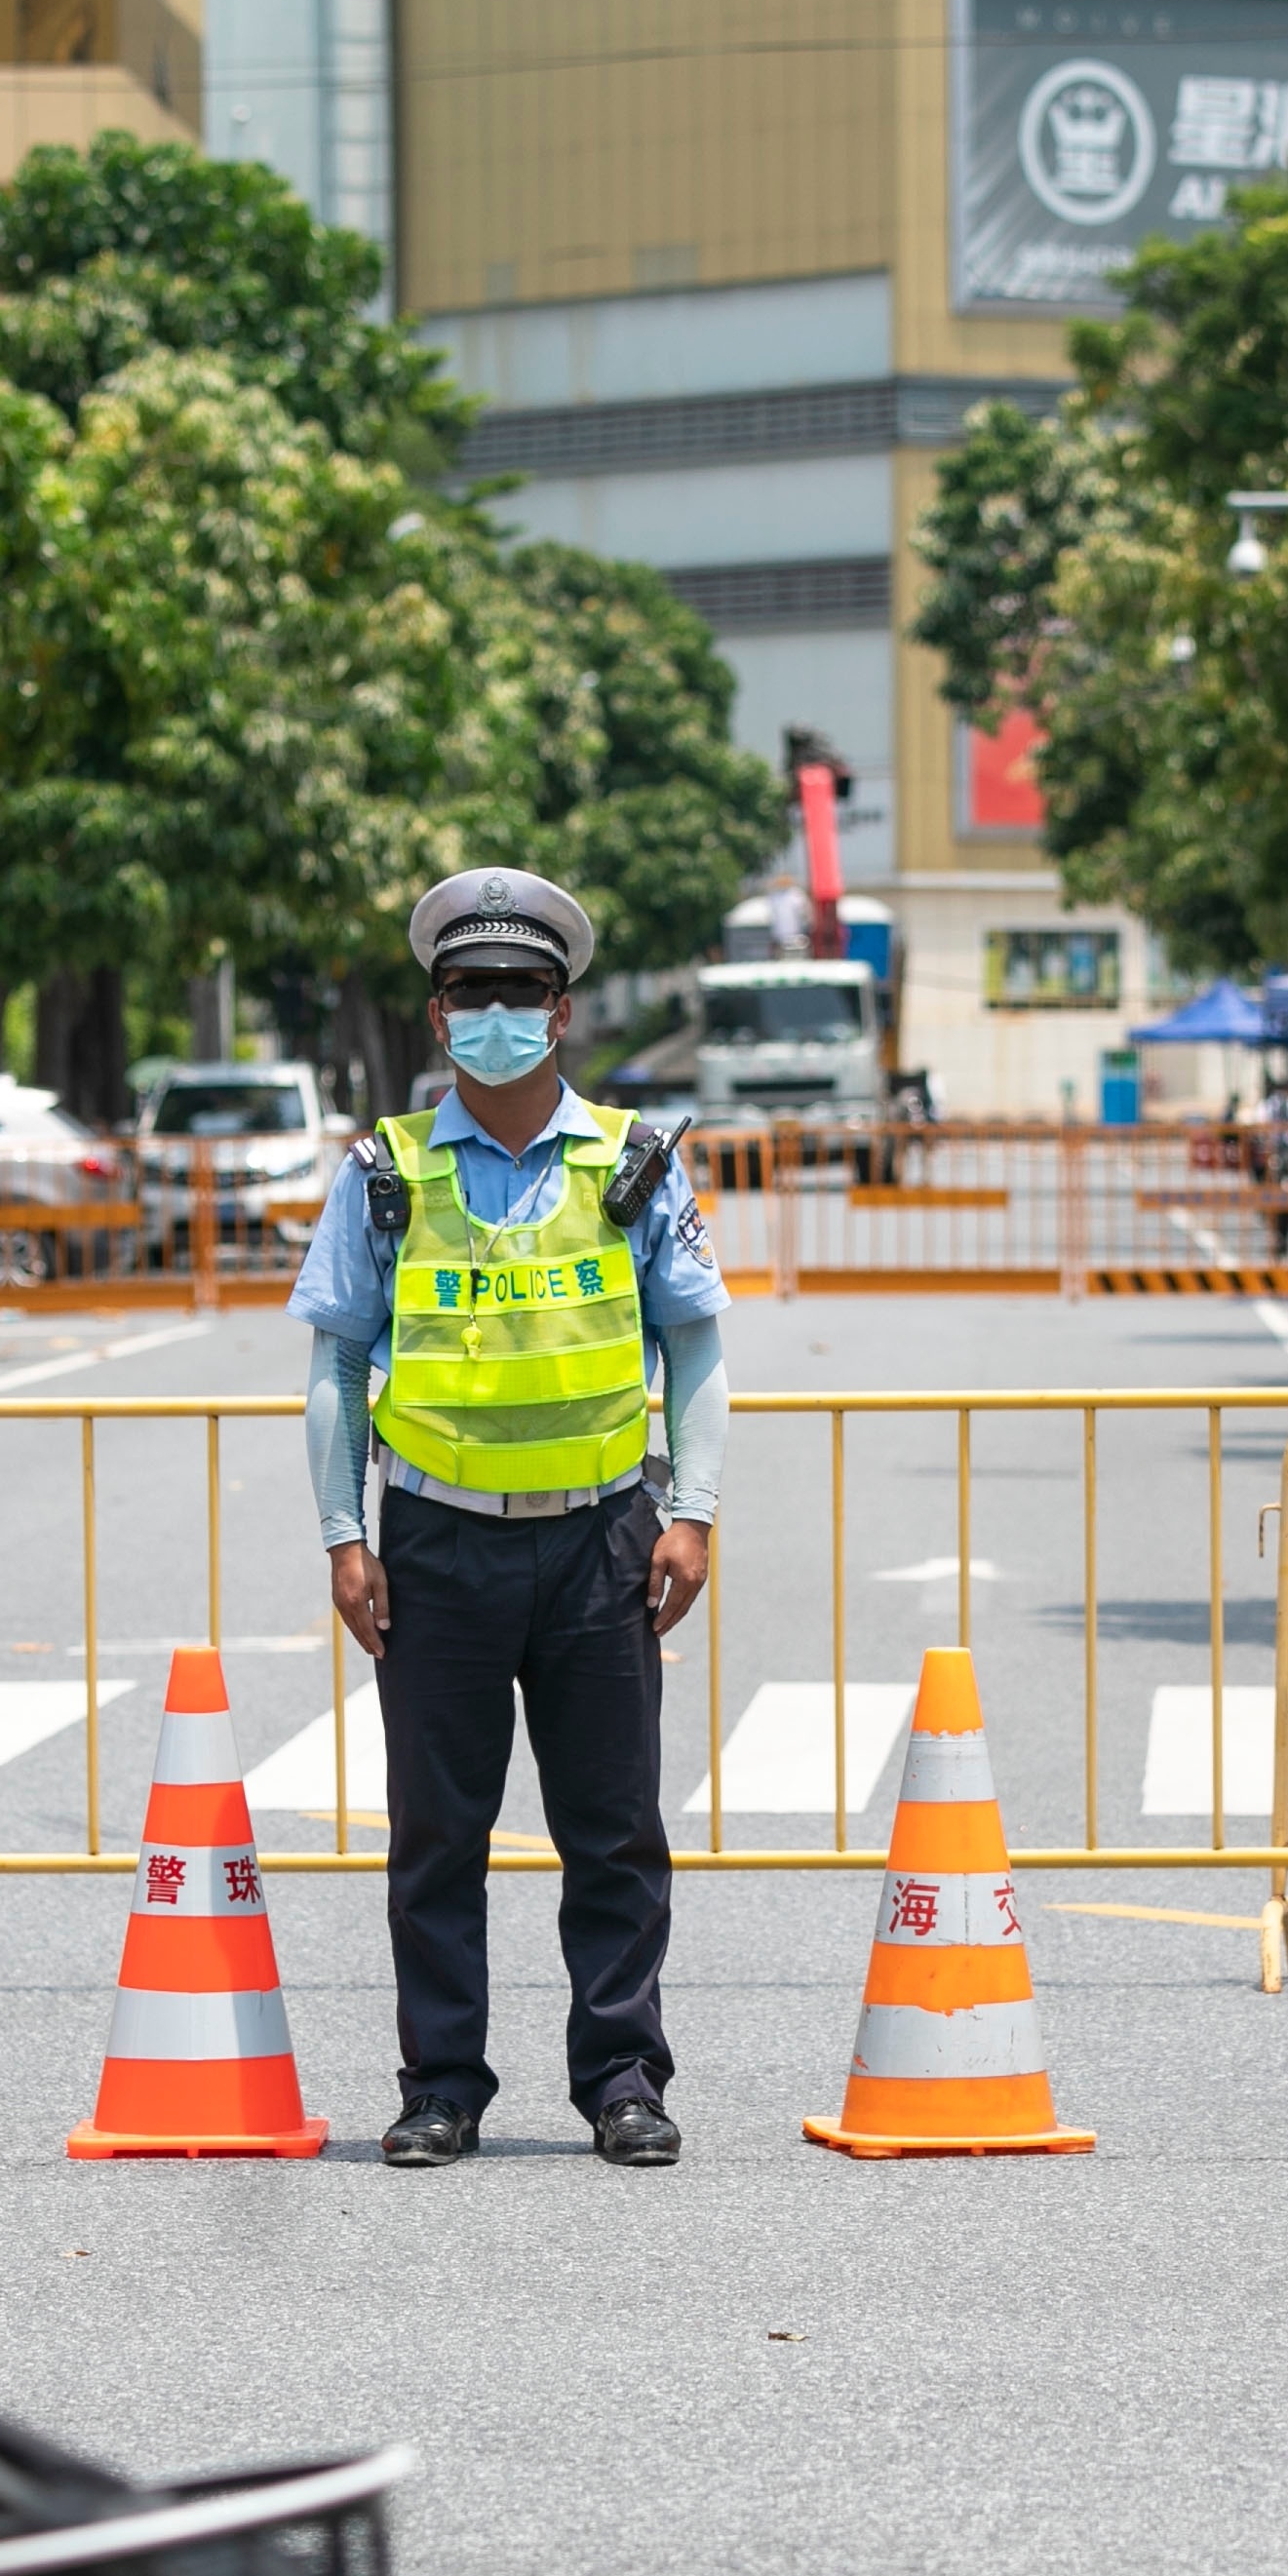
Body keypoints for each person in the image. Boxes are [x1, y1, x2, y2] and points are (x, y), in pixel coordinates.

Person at [285, 868, 730, 2170]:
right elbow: (332, 1365)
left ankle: (622, 2080)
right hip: (433, 1539)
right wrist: (340, 1534)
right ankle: (441, 2087)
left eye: (519, 993)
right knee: (436, 1834)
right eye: (470, 992)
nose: (496, 1013)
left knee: (612, 1831)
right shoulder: (385, 1171)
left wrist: (689, 1511)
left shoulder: (634, 1164)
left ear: (563, 1010)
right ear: (436, 1016)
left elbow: (695, 1346)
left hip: (602, 1535)